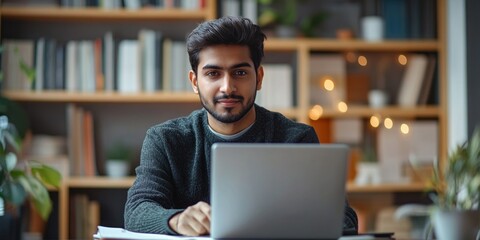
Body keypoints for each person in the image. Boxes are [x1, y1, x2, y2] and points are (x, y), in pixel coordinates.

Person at [124, 16, 358, 236]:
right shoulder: (165, 140)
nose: (227, 87)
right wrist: (177, 220)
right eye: (213, 73)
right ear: (195, 82)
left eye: (240, 72)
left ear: (259, 77)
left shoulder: (295, 139)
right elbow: (136, 211)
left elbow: (345, 220)